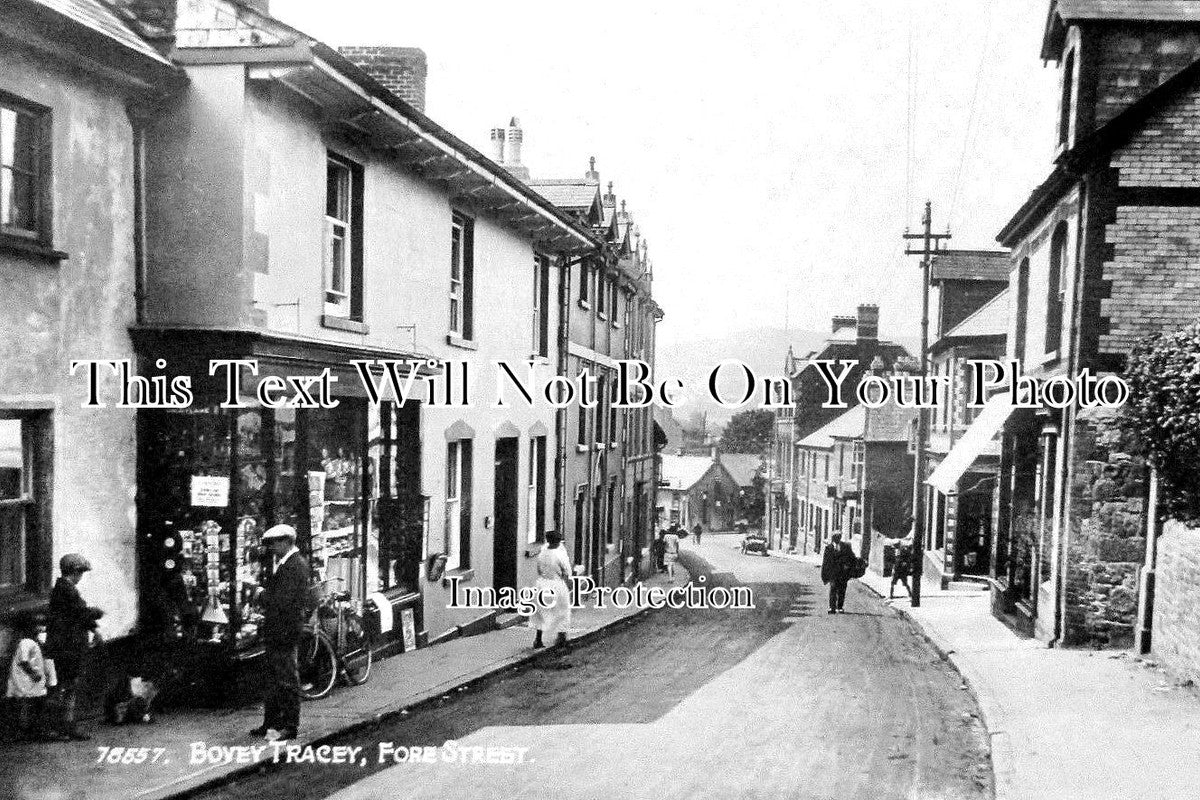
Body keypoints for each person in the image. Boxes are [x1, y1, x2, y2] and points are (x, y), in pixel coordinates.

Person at [250, 524, 311, 742]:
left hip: (284, 631)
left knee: (286, 679)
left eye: (275, 543)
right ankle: (271, 723)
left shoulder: (294, 566)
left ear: (286, 542)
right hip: (279, 631)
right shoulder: (290, 563)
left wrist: (260, 594)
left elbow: (281, 601)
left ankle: (290, 726)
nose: (272, 548)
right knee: (273, 679)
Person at [45, 553, 103, 740]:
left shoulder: (64, 588)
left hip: (68, 647)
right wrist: (96, 614)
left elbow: (78, 614)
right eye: (81, 572)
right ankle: (58, 727)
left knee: (67, 686)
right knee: (64, 687)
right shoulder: (66, 590)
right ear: (75, 572)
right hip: (67, 648)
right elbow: (80, 612)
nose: (81, 576)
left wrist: (93, 627)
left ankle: (66, 726)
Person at [6, 612, 59, 741]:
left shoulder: (30, 642)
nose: (40, 628)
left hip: (29, 683)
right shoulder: (26, 642)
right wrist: (34, 674)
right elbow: (23, 661)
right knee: (31, 707)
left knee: (31, 707)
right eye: (36, 625)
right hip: (26, 682)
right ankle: (32, 732)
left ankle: (31, 732)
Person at [530, 531, 572, 649]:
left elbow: (539, 570)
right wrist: (568, 583)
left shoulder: (542, 553)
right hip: (556, 584)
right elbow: (566, 572)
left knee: (541, 612)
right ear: (558, 542)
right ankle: (561, 638)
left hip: (542, 584)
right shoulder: (559, 554)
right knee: (562, 611)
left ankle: (538, 640)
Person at [821, 533, 856, 614]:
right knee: (833, 589)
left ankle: (840, 607)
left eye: (838, 537)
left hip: (843, 573)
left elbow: (852, 558)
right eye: (835, 538)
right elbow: (825, 562)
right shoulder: (829, 548)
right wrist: (825, 574)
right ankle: (832, 607)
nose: (837, 539)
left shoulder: (846, 547)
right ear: (833, 539)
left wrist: (848, 566)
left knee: (842, 590)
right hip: (833, 573)